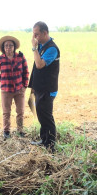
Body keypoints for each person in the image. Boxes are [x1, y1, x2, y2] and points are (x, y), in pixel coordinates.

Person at [29, 21, 60, 152]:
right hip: (40, 88)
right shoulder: (42, 46)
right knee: (41, 115)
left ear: (45, 33)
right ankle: (44, 139)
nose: (34, 37)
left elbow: (39, 65)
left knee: (47, 116)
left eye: (36, 34)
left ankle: (51, 145)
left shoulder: (52, 48)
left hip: (47, 89)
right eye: (33, 34)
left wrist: (34, 48)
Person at [0, 35, 29, 139]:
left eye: (10, 46)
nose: (8, 48)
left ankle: (20, 130)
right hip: (6, 90)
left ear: (14, 47)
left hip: (19, 89)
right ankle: (6, 131)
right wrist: (3, 81)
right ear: (3, 48)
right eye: (6, 46)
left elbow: (26, 72)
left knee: (20, 111)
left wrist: (24, 86)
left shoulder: (21, 57)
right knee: (6, 112)